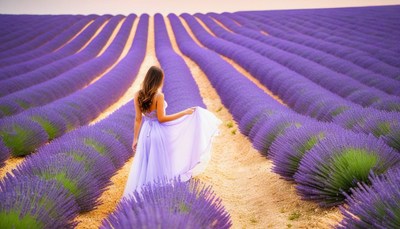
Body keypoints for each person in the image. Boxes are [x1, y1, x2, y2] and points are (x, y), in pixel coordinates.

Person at [122, 66, 221, 198]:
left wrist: (135, 139)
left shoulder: (138, 95)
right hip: (158, 133)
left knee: (145, 164)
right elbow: (162, 119)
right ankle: (156, 195)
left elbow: (138, 119)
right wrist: (184, 113)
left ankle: (141, 195)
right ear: (157, 81)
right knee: (158, 165)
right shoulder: (158, 96)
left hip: (145, 133)